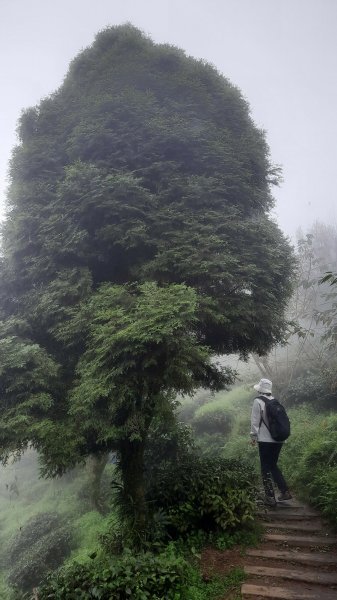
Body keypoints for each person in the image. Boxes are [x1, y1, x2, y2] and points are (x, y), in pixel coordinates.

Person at [250, 378, 292, 507]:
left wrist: (253, 437)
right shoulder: (275, 401)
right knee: (273, 465)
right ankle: (284, 491)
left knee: (265, 468)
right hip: (279, 439)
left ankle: (269, 498)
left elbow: (255, 421)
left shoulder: (258, 401)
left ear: (260, 389)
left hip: (265, 440)